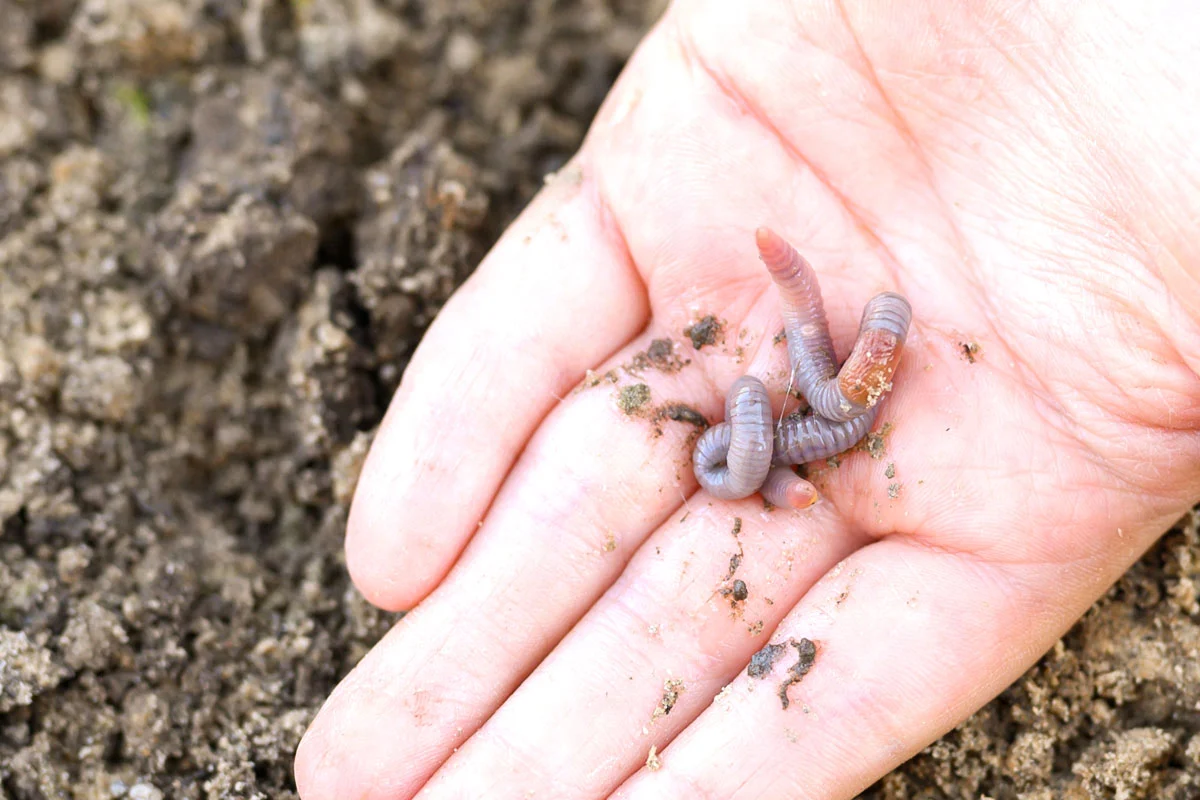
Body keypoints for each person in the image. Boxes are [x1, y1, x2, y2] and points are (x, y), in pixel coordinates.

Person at [294, 2, 1200, 797]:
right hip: (766, 435)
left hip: (784, 428)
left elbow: (840, 404)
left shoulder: (837, 396)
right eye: (881, 332)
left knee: (820, 414)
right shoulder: (802, 409)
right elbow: (824, 406)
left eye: (882, 334)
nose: (876, 341)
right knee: (802, 421)